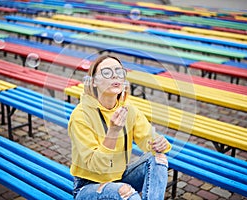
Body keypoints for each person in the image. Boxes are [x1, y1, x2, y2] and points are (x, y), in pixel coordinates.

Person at [68, 54, 171, 200]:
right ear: (93, 82)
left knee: (158, 159)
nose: (115, 76)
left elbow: (149, 140)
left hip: (119, 177)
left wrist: (159, 143)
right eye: (107, 72)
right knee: (126, 192)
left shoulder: (128, 109)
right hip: (88, 187)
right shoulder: (80, 116)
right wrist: (113, 132)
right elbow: (97, 166)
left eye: (119, 72)